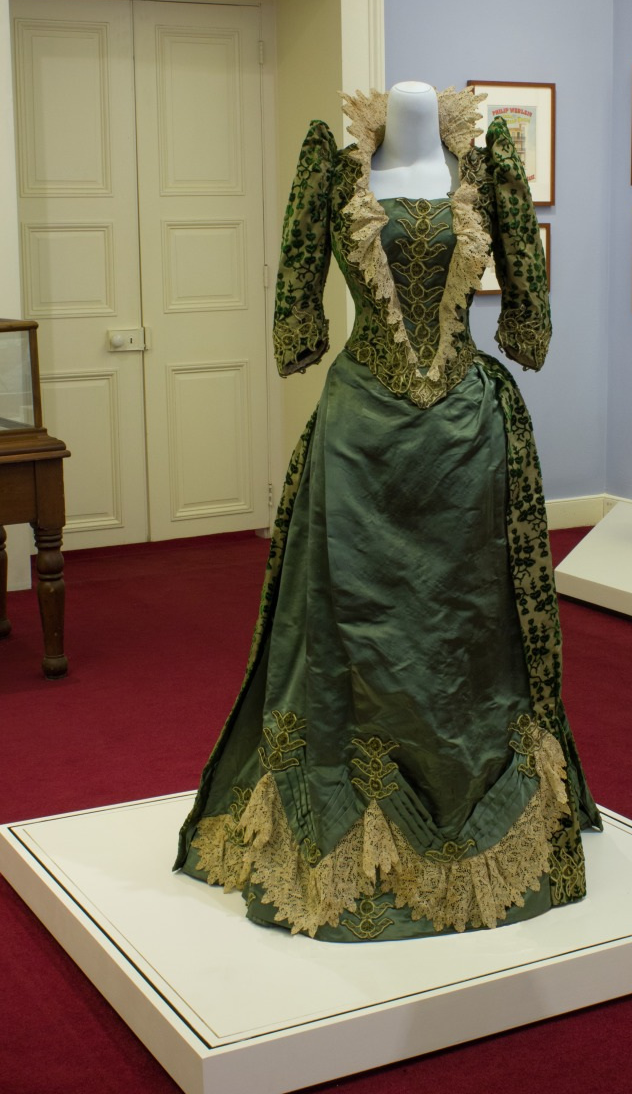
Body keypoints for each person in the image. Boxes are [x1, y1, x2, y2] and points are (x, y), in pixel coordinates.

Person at [175, 82, 600, 942]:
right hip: (358, 435)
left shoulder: (490, 172)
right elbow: (295, 291)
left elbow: (526, 298)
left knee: (469, 620)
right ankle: (340, 819)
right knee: (347, 621)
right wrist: (296, 328)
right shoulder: (330, 172)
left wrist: (526, 323)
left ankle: (485, 804)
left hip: (468, 436)